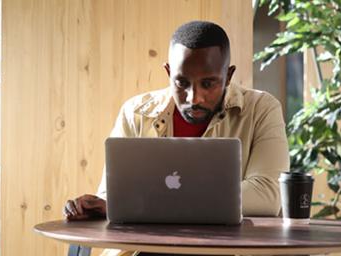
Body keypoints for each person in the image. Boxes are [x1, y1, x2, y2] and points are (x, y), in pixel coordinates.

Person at [64, 19, 289, 229]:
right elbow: (112, 196)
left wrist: (150, 199)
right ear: (169, 72)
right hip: (143, 248)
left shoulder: (261, 109)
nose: (194, 98)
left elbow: (268, 196)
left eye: (208, 83)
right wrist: (95, 206)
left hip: (225, 250)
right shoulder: (135, 113)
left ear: (228, 76)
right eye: (181, 83)